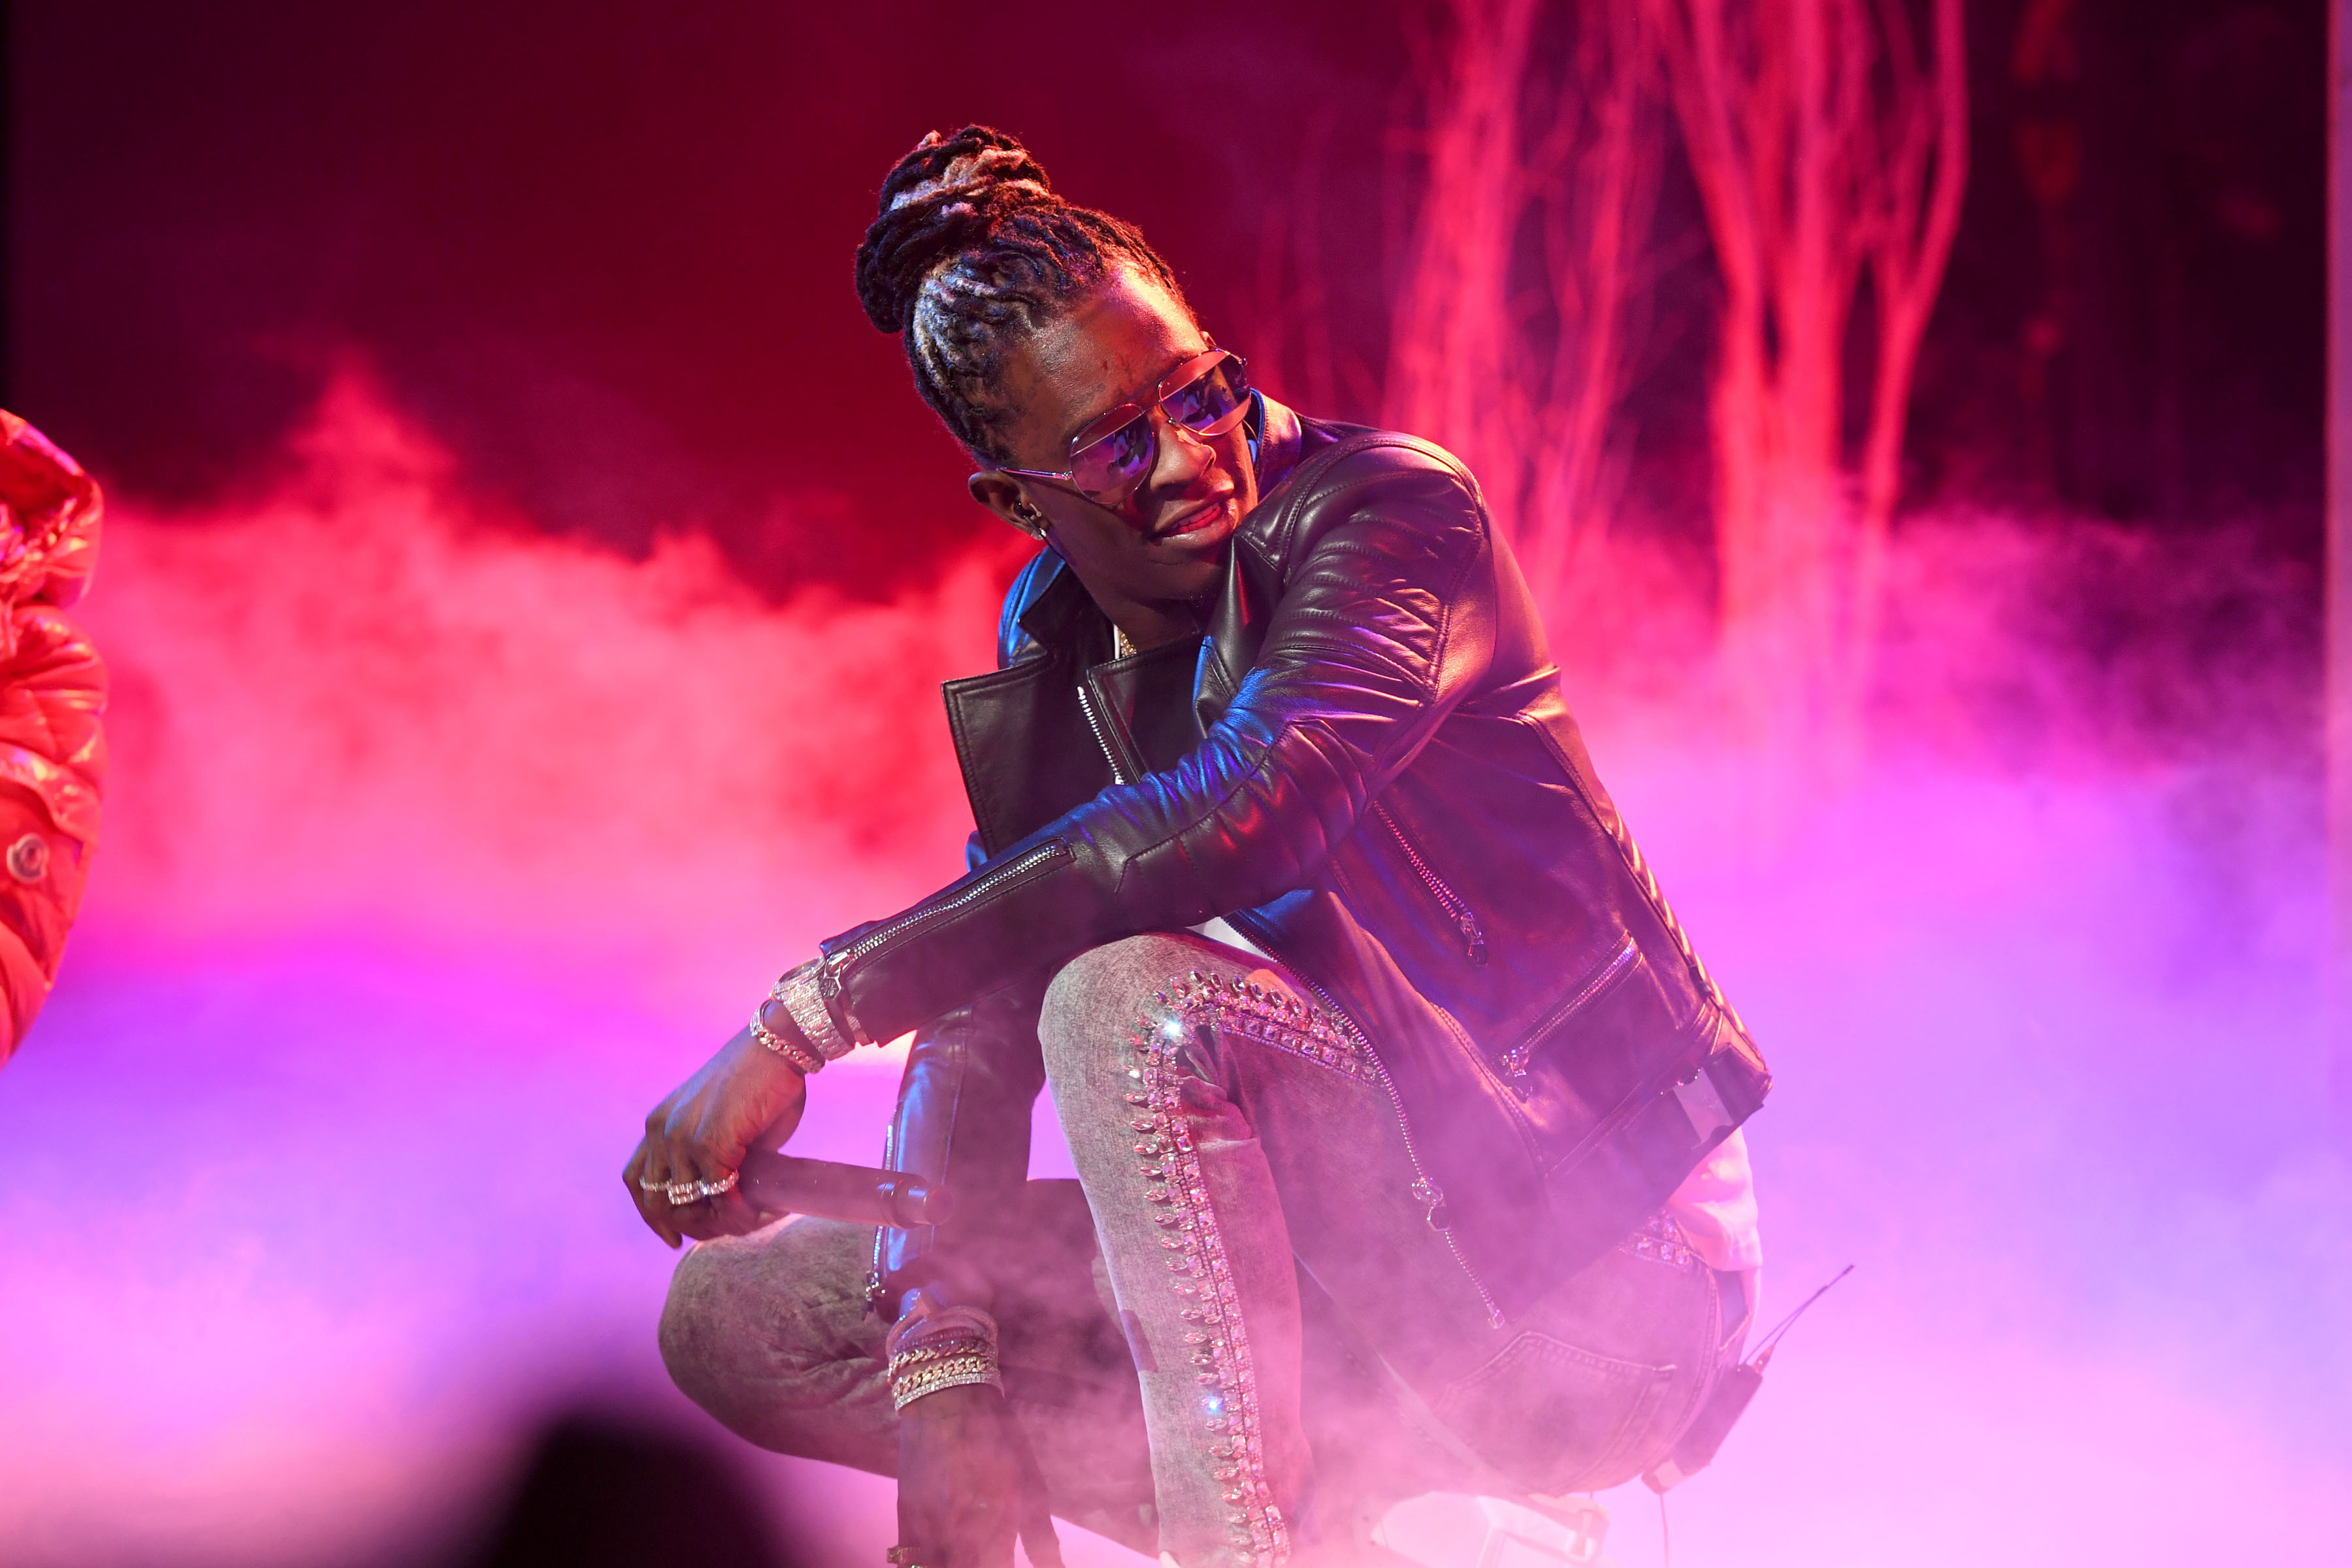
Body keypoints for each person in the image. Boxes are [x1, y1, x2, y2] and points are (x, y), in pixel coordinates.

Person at [630, 127, 1769, 1568]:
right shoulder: (1054, 630)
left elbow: (1248, 810)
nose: (1195, 458)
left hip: (1593, 1282)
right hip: (1317, 1291)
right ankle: (1372, 1535)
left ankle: (1268, 1549)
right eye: (1116, 445)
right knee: (738, 1317)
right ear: (1016, 497)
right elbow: (993, 982)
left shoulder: (1391, 514)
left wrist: (806, 1019)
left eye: (1203, 392)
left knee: (1126, 1005)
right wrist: (943, 1361)